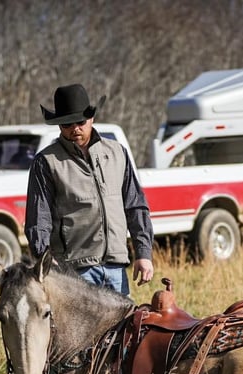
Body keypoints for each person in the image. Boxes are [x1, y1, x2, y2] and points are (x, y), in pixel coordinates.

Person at [24, 84, 154, 295]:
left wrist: (144, 254)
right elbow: (38, 219)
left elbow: (135, 206)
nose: (75, 128)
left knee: (124, 328)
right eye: (67, 124)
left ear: (91, 118)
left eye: (80, 122)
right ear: (59, 125)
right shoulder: (46, 162)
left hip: (116, 266)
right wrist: (44, 259)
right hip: (73, 271)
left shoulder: (117, 153)